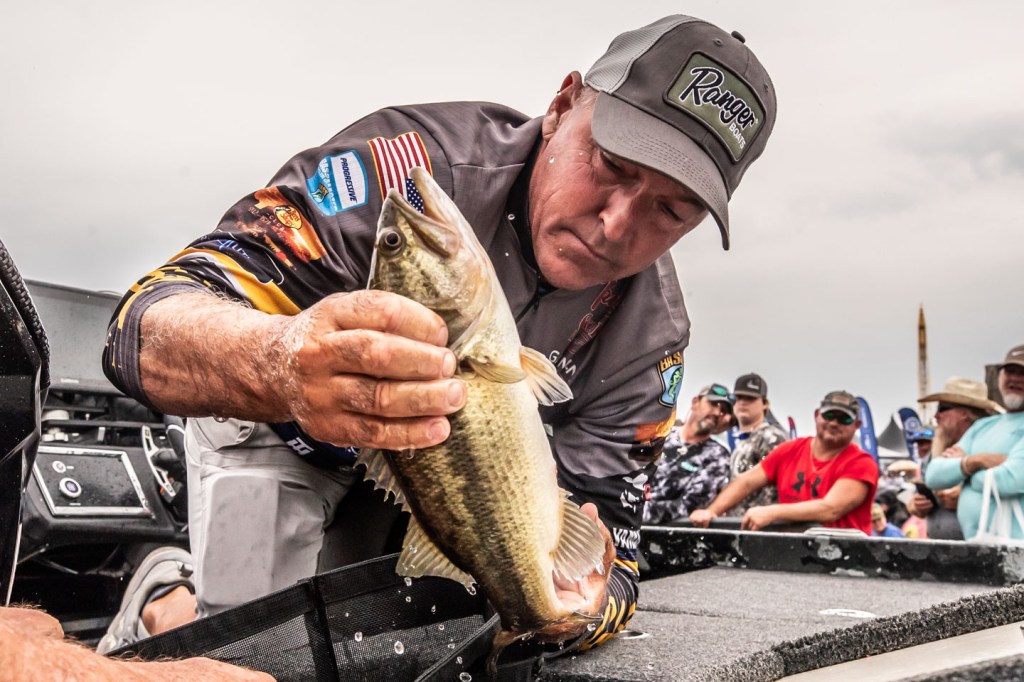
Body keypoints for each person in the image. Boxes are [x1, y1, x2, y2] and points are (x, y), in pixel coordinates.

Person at [98, 15, 778, 654]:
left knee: (422, 645)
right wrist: (280, 362)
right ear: (563, 105)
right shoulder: (398, 176)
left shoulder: (651, 344)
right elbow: (141, 325)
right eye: (611, 164)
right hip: (284, 436)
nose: (616, 225)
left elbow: (618, 561)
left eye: (671, 211)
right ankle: (162, 599)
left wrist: (578, 609)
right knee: (258, 648)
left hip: (463, 497)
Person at [690, 390, 878, 534]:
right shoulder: (790, 450)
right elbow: (746, 482)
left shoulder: (861, 462)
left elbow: (831, 509)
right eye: (829, 415)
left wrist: (771, 512)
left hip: (845, 557)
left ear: (857, 425)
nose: (834, 423)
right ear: (817, 415)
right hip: (795, 552)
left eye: (844, 418)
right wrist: (711, 512)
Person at [926, 346, 1024, 541]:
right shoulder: (983, 427)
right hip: (978, 547)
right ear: (1000, 376)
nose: (1014, 379)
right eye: (1010, 371)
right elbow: (934, 475)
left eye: (1022, 373)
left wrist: (964, 474)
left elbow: (1011, 479)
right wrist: (975, 462)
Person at [906, 378, 1004, 540]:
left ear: (964, 414)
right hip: (940, 547)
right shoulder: (934, 453)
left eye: (943, 408)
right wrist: (916, 505)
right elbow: (916, 501)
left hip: (981, 547)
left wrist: (966, 495)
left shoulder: (994, 447)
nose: (936, 416)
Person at [643, 384, 734, 524]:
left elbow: (689, 505)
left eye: (723, 410)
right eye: (713, 404)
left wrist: (636, 512)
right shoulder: (661, 437)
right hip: (626, 523)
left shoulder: (718, 456)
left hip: (662, 532)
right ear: (695, 402)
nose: (717, 413)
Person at [725, 373, 789, 515]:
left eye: (750, 398)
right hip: (734, 522)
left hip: (759, 522)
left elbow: (773, 488)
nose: (743, 402)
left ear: (765, 403)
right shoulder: (735, 440)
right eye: (738, 397)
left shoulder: (772, 437)